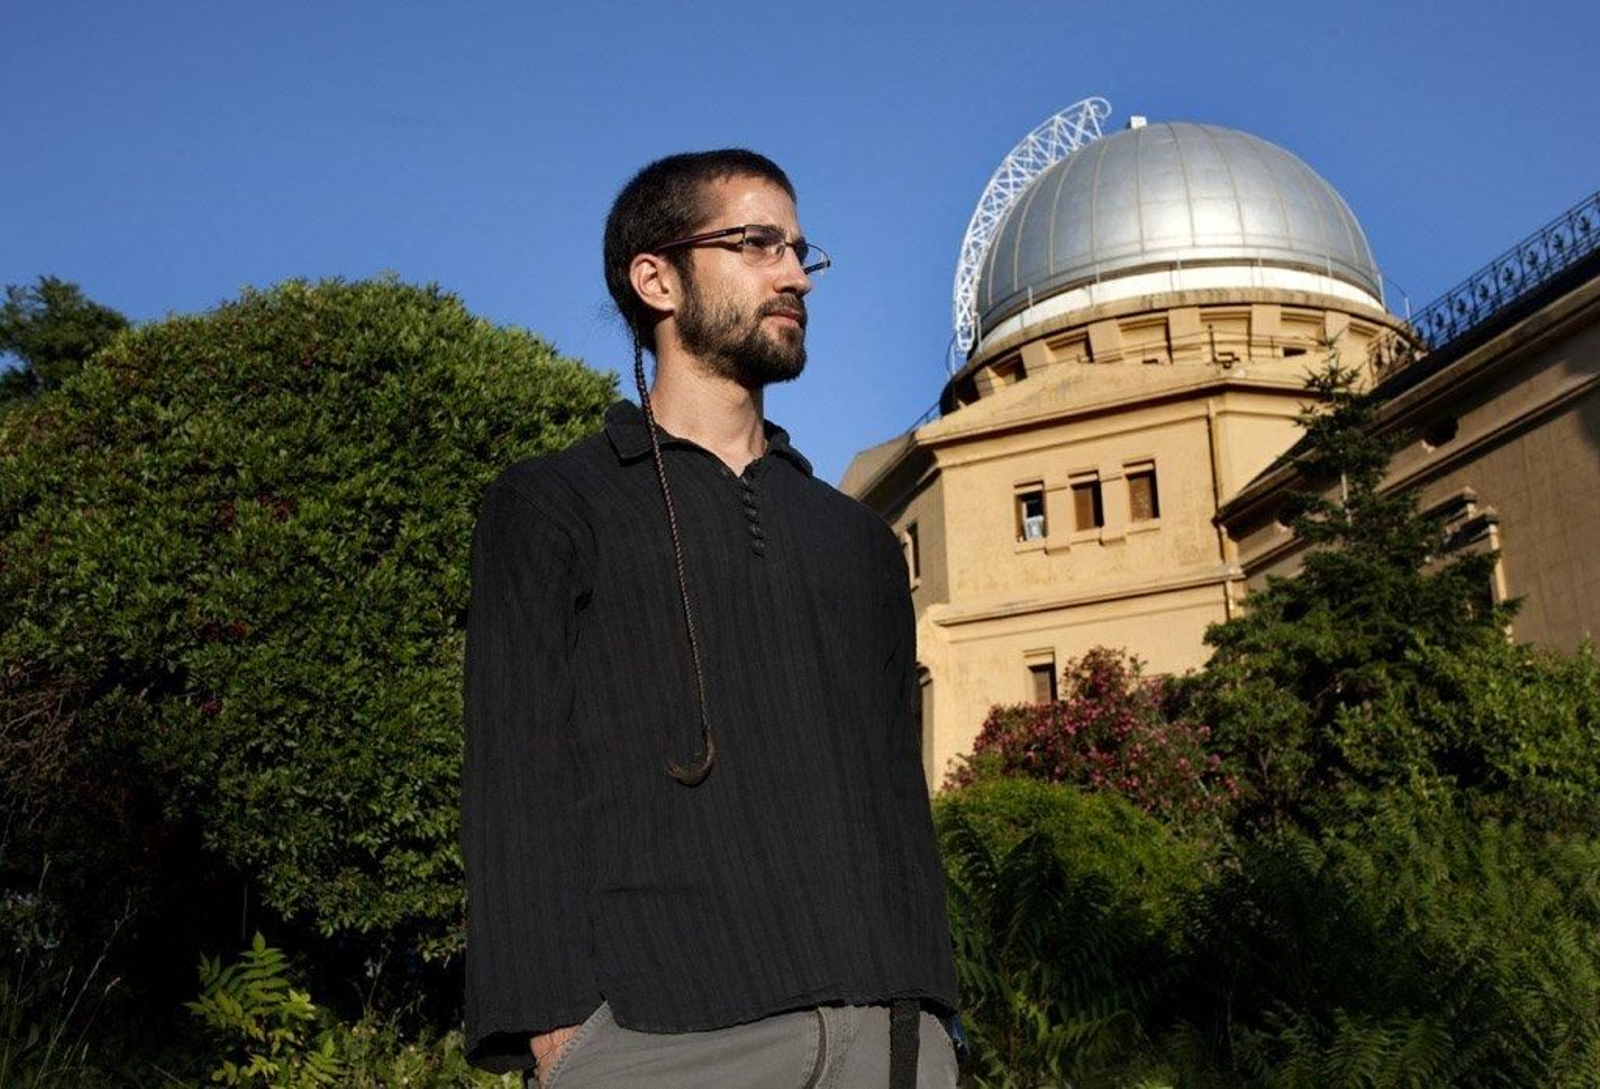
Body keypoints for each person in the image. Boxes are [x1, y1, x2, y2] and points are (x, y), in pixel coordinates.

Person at [461, 149, 959, 1088]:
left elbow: (897, 792)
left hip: (886, 1036)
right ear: (656, 277)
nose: (791, 275)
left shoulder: (853, 536)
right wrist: (559, 1034)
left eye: (801, 252)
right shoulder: (552, 505)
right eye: (755, 243)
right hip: (663, 1042)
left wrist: (929, 1014)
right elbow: (513, 780)